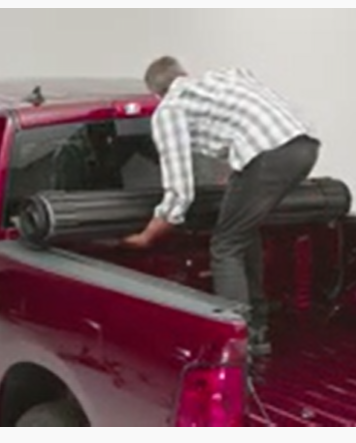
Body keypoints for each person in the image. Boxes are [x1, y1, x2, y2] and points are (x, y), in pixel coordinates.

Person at [124, 56, 321, 356]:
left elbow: (180, 191)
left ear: (156, 94)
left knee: (225, 245)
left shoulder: (170, 110)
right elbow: (243, 121)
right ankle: (258, 327)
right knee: (242, 233)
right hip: (305, 145)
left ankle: (240, 341)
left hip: (268, 155)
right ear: (185, 75)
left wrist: (148, 235)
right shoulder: (226, 77)